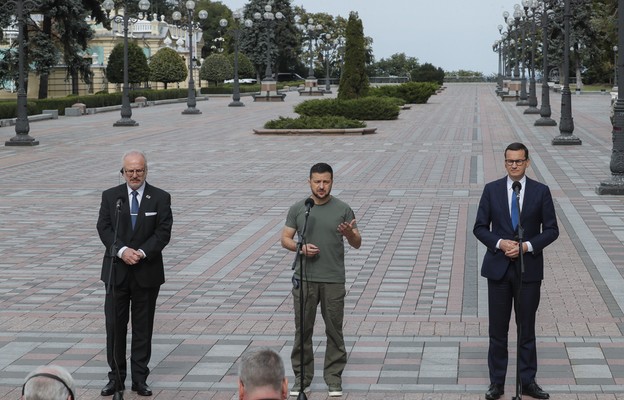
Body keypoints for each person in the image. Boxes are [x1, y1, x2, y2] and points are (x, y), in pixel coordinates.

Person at [473, 142, 559, 400]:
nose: (514, 165)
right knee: (498, 330)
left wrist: (527, 246)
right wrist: (500, 243)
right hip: (498, 270)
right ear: (504, 162)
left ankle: (527, 381)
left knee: (526, 329)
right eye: (510, 161)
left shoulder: (541, 192)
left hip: (528, 271)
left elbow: (552, 230)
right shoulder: (491, 190)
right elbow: (479, 227)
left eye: (519, 161)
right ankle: (496, 383)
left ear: (527, 162)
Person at [280, 162, 362, 397]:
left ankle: (334, 379)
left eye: (326, 181)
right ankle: (302, 378)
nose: (321, 186)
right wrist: (300, 247)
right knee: (302, 330)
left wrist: (349, 234)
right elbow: (285, 237)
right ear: (309, 182)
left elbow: (357, 243)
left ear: (332, 182)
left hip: (333, 280)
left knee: (334, 330)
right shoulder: (299, 208)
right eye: (317, 181)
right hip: (305, 279)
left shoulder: (343, 209)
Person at [96, 150, 173, 397]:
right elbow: (104, 228)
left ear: (146, 170)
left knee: (142, 328)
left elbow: (163, 232)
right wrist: (121, 251)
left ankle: (140, 379)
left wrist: (140, 252)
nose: (134, 175)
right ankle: (116, 379)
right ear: (123, 172)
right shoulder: (111, 197)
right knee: (115, 327)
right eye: (129, 171)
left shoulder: (160, 197)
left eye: (139, 170)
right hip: (116, 273)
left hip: (146, 271)